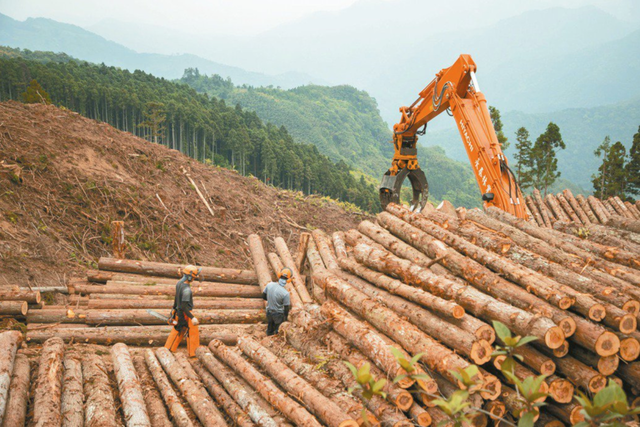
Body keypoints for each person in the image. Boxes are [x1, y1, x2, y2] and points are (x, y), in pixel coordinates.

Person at [164, 264, 201, 357]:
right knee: (192, 333)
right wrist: (192, 317)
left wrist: (174, 309)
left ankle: (168, 349)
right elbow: (184, 306)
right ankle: (194, 353)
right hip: (185, 312)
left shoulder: (179, 283)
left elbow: (176, 298)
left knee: (178, 329)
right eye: (193, 277)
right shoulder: (187, 290)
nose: (194, 279)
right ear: (190, 277)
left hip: (178, 311)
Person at [263, 267, 292, 336]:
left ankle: (268, 338)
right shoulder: (285, 294)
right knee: (278, 331)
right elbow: (286, 308)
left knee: (270, 328)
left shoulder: (269, 285)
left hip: (269, 312)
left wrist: (271, 300)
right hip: (278, 314)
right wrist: (285, 318)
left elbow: (264, 296)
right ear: (288, 280)